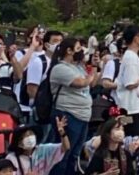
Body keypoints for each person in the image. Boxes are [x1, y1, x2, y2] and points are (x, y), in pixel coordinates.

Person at [49, 36, 98, 175]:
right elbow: (80, 83)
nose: (81, 51)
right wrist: (90, 75)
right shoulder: (60, 68)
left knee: (74, 155)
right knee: (63, 154)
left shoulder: (78, 67)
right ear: (69, 51)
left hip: (83, 116)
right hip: (68, 114)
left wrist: (94, 66)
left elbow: (92, 84)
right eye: (78, 48)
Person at [115, 28, 139, 139]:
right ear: (136, 38)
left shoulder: (133, 57)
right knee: (132, 139)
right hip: (131, 109)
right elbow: (130, 84)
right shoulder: (130, 58)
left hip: (134, 107)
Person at [26, 30, 63, 131]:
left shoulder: (61, 63)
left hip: (54, 109)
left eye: (61, 41)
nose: (59, 44)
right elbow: (31, 89)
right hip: (40, 109)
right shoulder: (39, 61)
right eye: (55, 41)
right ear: (47, 44)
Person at [5, 119, 69, 175]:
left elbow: (65, 147)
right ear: (18, 143)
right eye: (25, 136)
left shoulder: (43, 150)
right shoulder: (11, 159)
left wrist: (62, 133)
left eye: (31, 134)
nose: (29, 138)